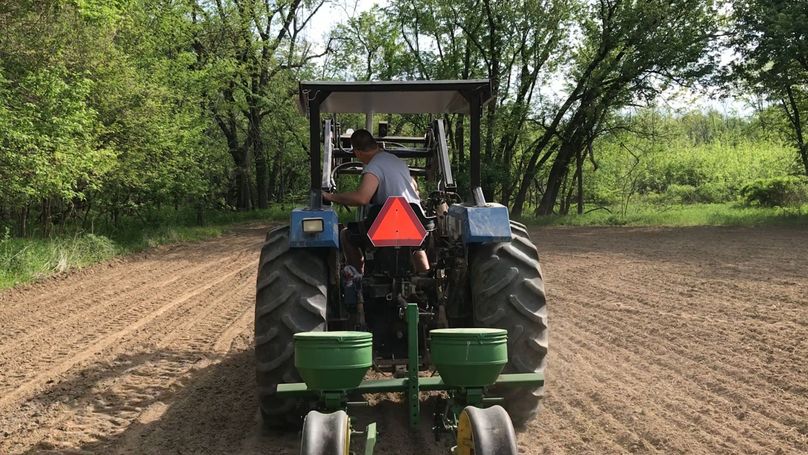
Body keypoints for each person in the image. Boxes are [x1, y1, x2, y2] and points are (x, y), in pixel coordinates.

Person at [323, 129, 429, 274]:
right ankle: (425, 278)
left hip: (392, 220)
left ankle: (356, 277)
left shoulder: (374, 166)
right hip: (416, 217)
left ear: (357, 152)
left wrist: (331, 197)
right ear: (376, 145)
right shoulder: (397, 161)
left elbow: (362, 198)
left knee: (346, 235)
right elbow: (414, 186)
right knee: (415, 244)